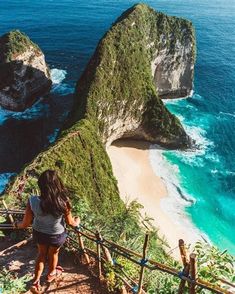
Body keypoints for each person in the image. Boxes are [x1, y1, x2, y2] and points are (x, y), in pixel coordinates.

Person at [14, 170, 80, 293]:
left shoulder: (32, 201)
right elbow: (71, 222)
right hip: (57, 235)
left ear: (40, 185)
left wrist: (15, 225)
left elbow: (25, 223)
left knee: (41, 255)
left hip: (39, 234)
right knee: (53, 254)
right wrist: (77, 221)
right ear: (57, 184)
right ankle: (51, 275)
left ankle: (36, 281)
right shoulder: (64, 202)